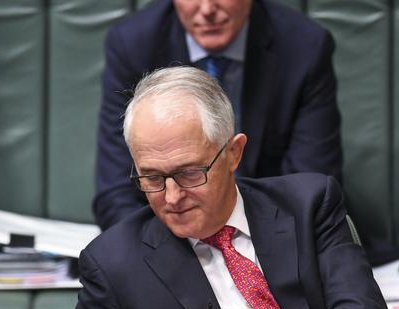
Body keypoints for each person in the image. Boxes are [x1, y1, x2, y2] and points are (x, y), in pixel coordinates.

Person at [46, 66, 399, 309]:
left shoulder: (308, 203)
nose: (172, 197)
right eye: (151, 177)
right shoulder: (115, 261)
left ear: (234, 153)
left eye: (188, 174)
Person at [93, 0, 342, 231]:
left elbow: (310, 182)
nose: (208, 8)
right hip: (170, 234)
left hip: (274, 231)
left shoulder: (304, 45)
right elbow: (117, 192)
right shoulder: (133, 43)